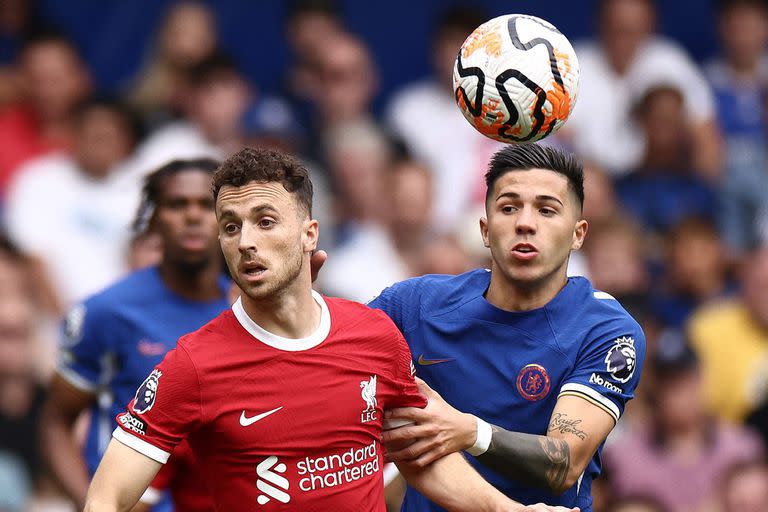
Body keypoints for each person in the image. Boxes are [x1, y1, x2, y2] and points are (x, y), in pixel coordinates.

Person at [84, 147, 575, 512]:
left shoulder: (374, 335)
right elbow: (106, 498)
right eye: (231, 227)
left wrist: (510, 510)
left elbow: (419, 455)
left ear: (309, 234)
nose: (246, 242)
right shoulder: (192, 364)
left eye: (265, 220)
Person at [367, 144, 646, 511]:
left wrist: (470, 432)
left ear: (578, 235)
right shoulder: (412, 306)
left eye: (547, 210)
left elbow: (564, 461)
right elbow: (327, 353)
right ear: (485, 229)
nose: (525, 223)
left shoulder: (608, 332)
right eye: (508, 207)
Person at [39, 158, 230, 511]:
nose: (192, 216)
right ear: (153, 217)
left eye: (207, 205)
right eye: (177, 204)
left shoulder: (246, 312)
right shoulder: (106, 311)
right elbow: (55, 423)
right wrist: (92, 504)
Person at [602, 330, 762, 512]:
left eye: (686, 380)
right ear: (654, 390)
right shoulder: (623, 458)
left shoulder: (742, 448)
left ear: (701, 380)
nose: (679, 393)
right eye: (668, 384)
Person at [4, 96, 142, 306]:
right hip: (50, 319)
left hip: (118, 317)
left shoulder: (140, 187)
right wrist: (65, 325)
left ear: (125, 141)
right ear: (73, 135)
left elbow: (141, 264)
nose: (100, 145)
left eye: (108, 137)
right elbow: (32, 260)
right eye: (93, 136)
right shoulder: (37, 180)